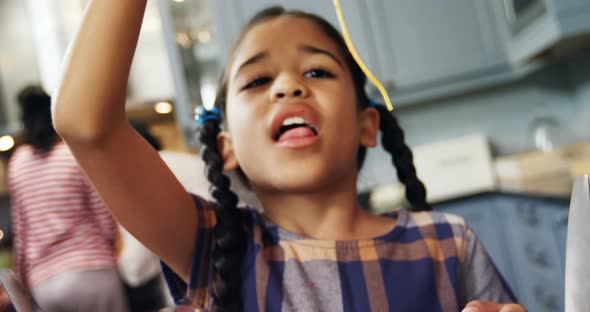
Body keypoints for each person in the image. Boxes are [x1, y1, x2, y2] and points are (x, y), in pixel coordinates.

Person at [52, 2, 527, 311]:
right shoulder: (211, 247)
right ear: (227, 146)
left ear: (367, 124)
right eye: (258, 81)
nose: (289, 85)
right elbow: (84, 122)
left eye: (318, 70)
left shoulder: (449, 243)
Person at [8, 86, 128, 312]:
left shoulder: (18, 163)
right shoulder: (73, 154)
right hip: (92, 270)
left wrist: (22, 277)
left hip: (46, 283)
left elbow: (20, 229)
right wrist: (110, 245)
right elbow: (102, 213)